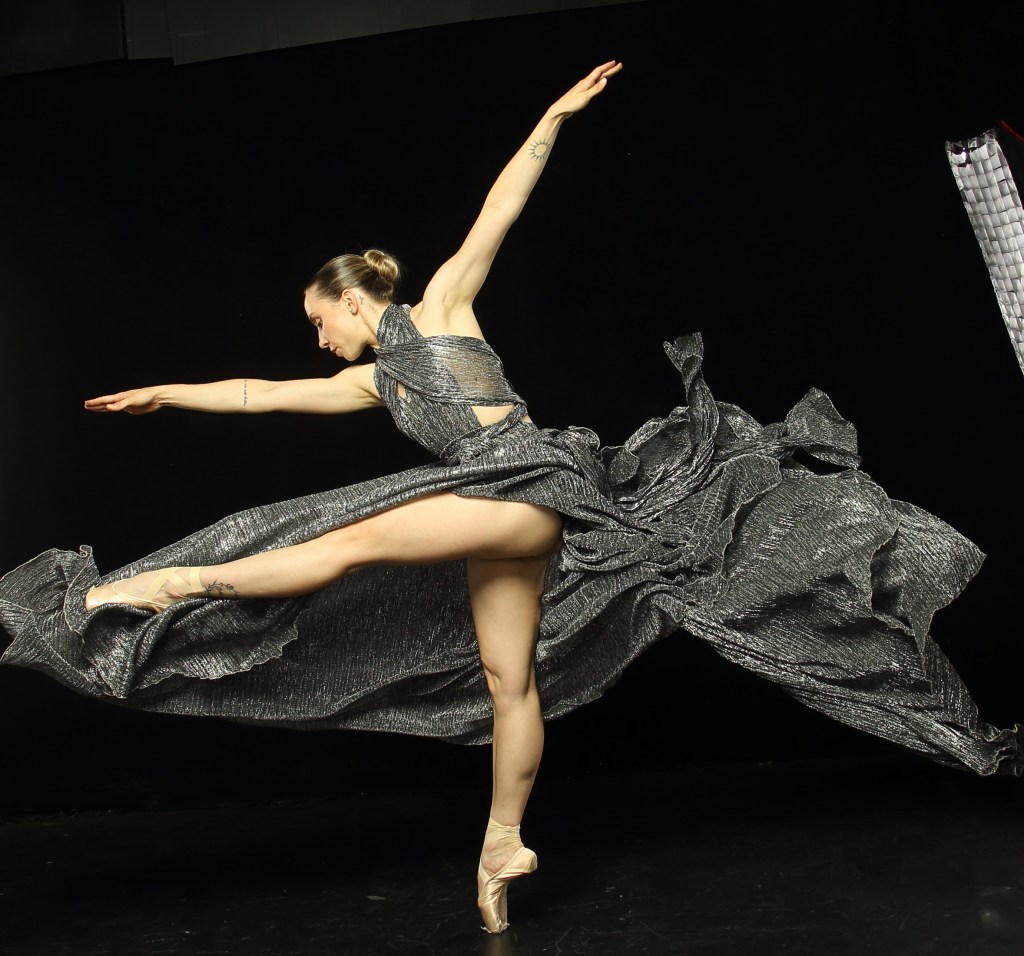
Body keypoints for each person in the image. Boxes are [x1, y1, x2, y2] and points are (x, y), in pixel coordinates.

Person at [1, 59, 1021, 936]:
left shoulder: (442, 307)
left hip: (525, 487)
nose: (317, 339)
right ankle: (502, 844)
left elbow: (502, 206)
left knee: (342, 540)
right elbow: (256, 394)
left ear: (354, 299)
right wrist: (165, 393)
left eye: (319, 321)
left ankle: (169, 584)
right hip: (510, 523)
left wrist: (553, 119)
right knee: (508, 684)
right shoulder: (372, 381)